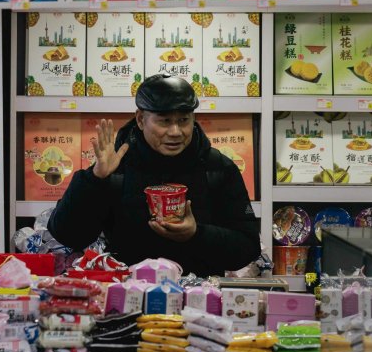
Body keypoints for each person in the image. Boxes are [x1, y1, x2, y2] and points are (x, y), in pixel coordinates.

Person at [48, 73, 260, 277]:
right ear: (141, 120)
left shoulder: (217, 168)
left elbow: (248, 248)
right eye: (165, 121)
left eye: (184, 120)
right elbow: (69, 236)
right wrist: (94, 180)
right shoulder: (116, 168)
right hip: (128, 298)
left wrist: (197, 234)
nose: (176, 132)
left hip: (198, 300)